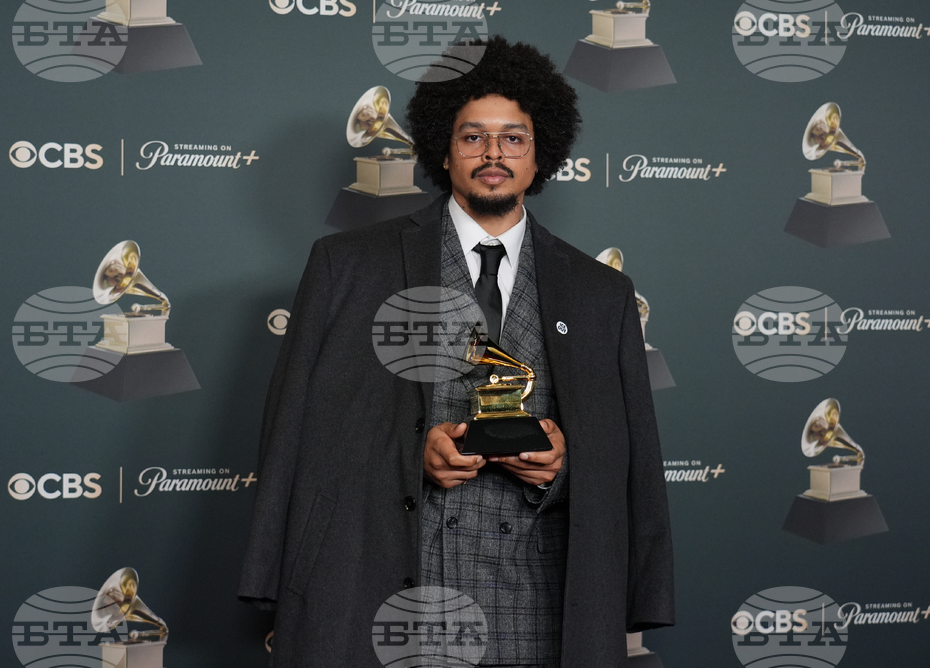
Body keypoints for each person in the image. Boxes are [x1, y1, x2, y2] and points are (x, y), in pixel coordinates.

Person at [239, 36, 674, 668]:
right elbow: (296, 437)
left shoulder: (601, 293)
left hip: (541, 613)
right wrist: (411, 456)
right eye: (473, 136)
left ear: (539, 153)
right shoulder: (347, 267)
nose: (493, 153)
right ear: (443, 148)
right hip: (389, 600)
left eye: (513, 138)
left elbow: (629, 457)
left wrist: (560, 469)